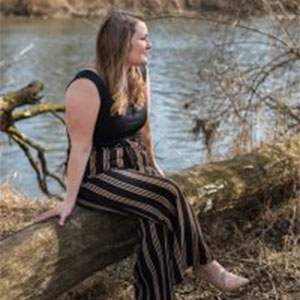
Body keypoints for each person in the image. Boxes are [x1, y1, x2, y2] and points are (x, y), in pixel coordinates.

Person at [34, 9, 249, 300]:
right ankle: (205, 264)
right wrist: (68, 202)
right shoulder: (86, 85)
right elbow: (80, 147)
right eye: (144, 38)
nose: (150, 44)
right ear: (123, 42)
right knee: (169, 194)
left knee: (157, 218)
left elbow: (144, 128)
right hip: (97, 174)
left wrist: (154, 166)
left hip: (134, 163)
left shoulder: (139, 71)